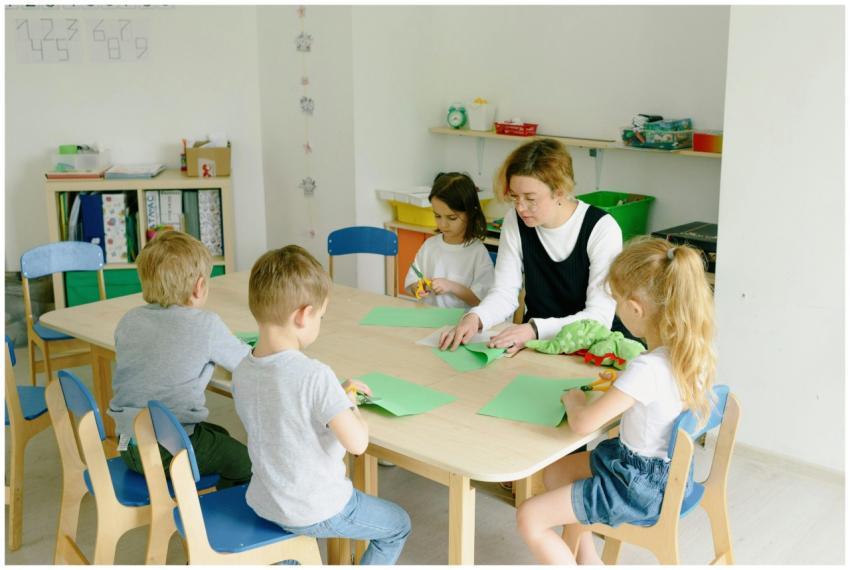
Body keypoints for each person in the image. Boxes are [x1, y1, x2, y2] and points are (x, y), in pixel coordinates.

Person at [515, 237, 716, 564]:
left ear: (635, 309)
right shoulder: (694, 353)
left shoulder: (648, 368)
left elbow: (583, 424)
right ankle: (590, 561)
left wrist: (575, 399)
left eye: (617, 300)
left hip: (636, 488)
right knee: (555, 474)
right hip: (664, 474)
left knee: (529, 517)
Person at [233, 245, 411, 565]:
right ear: (303, 315)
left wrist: (334, 397)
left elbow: (287, 412)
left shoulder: (243, 369)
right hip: (316, 508)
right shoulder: (315, 375)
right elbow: (357, 443)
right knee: (398, 526)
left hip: (266, 499)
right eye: (321, 316)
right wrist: (353, 409)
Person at [439, 138, 624, 356]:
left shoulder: (602, 228)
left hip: (594, 348)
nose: (520, 207)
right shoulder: (514, 221)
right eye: (515, 197)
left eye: (530, 198)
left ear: (560, 191)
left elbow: (599, 317)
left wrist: (533, 329)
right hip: (535, 344)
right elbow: (505, 293)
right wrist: (476, 317)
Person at [108, 231, 252, 489]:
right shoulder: (205, 325)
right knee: (245, 463)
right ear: (199, 287)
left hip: (127, 444)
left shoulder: (129, 320)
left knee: (219, 436)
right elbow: (247, 362)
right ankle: (220, 517)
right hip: (167, 448)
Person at [403, 172, 495, 309]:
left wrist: (451, 286)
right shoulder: (429, 246)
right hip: (428, 319)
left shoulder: (477, 252)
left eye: (451, 218)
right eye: (437, 216)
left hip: (461, 324)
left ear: (470, 213)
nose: (443, 224)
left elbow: (480, 301)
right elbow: (411, 283)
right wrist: (418, 287)